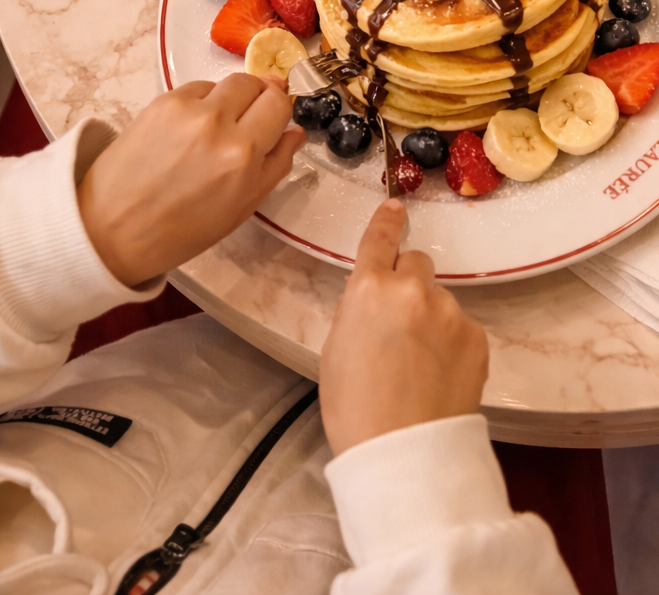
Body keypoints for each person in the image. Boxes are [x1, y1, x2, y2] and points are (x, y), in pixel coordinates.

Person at [0, 77, 578, 592]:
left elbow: (48, 254)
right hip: (480, 482)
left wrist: (63, 245)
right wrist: (422, 496)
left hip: (175, 339)